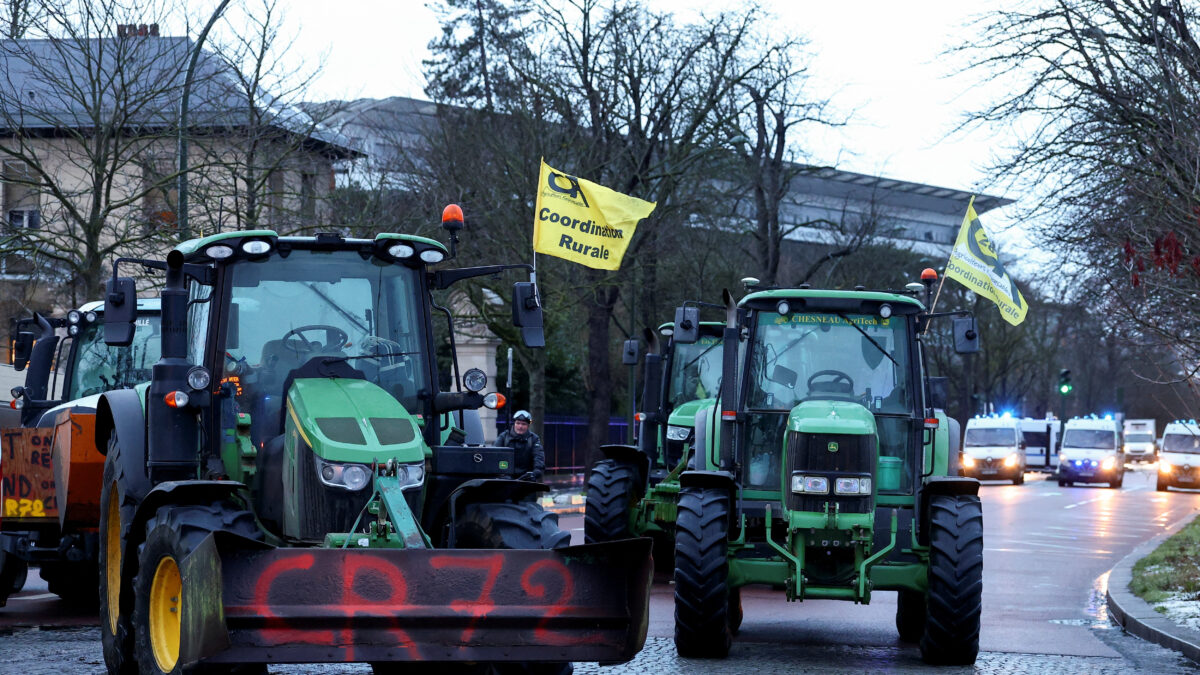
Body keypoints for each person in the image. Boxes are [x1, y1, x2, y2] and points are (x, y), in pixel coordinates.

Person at [496, 410, 545, 482]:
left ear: (528, 425)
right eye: (518, 423)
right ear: (514, 423)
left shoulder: (534, 439)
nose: (520, 426)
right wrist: (502, 474)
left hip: (527, 479)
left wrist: (535, 473)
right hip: (505, 478)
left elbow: (538, 457)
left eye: (523, 424)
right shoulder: (503, 437)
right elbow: (496, 455)